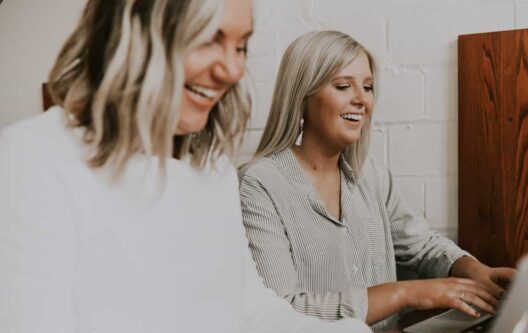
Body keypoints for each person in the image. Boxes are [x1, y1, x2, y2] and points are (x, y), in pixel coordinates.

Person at [0, 2, 370, 333]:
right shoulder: (34, 158)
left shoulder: (212, 169)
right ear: (138, 33)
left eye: (240, 47)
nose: (230, 69)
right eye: (209, 38)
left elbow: (254, 313)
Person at [239, 30, 516, 329]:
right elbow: (284, 310)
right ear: (303, 96)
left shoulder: (371, 176)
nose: (362, 100)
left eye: (368, 87)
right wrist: (404, 294)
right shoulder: (258, 185)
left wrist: (473, 269)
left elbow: (421, 247)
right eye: (344, 86)